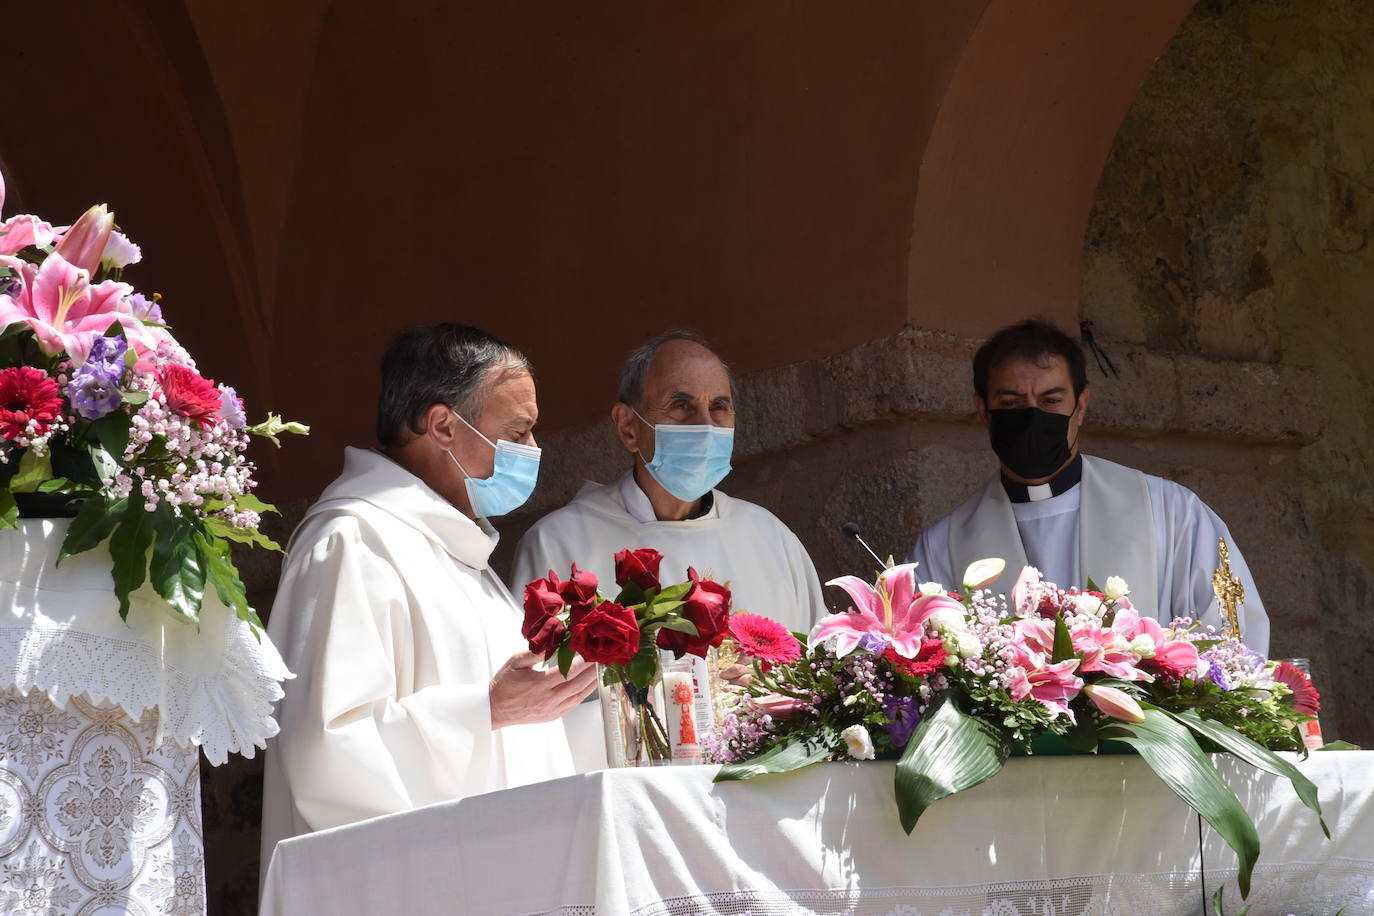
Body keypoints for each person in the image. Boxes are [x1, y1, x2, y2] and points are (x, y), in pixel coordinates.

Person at [261, 324, 597, 871]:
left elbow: (520, 749)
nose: (534, 451)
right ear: (442, 424)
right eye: (518, 431)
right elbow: (325, 750)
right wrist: (485, 708)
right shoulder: (352, 542)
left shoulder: (461, 556)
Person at [908, 319, 1270, 653]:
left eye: (1051, 401)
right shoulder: (944, 547)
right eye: (1011, 403)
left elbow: (1228, 644)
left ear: (1080, 405)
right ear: (983, 411)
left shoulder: (1169, 511)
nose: (1032, 416)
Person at [511, 330, 826, 637]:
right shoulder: (560, 545)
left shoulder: (772, 539)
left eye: (719, 407)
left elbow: (819, 670)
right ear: (628, 428)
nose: (705, 425)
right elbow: (533, 683)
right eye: (681, 406)